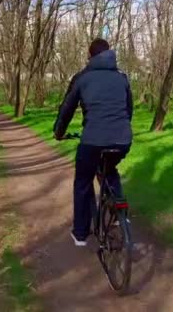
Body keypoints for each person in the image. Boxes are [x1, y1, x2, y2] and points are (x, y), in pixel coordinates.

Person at [53, 38, 133, 246]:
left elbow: (66, 109)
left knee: (83, 181)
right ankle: (119, 215)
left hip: (92, 140)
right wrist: (120, 130)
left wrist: (58, 132)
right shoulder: (122, 78)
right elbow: (128, 110)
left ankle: (80, 233)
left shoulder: (82, 77)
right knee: (109, 168)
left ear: (90, 56)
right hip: (123, 138)